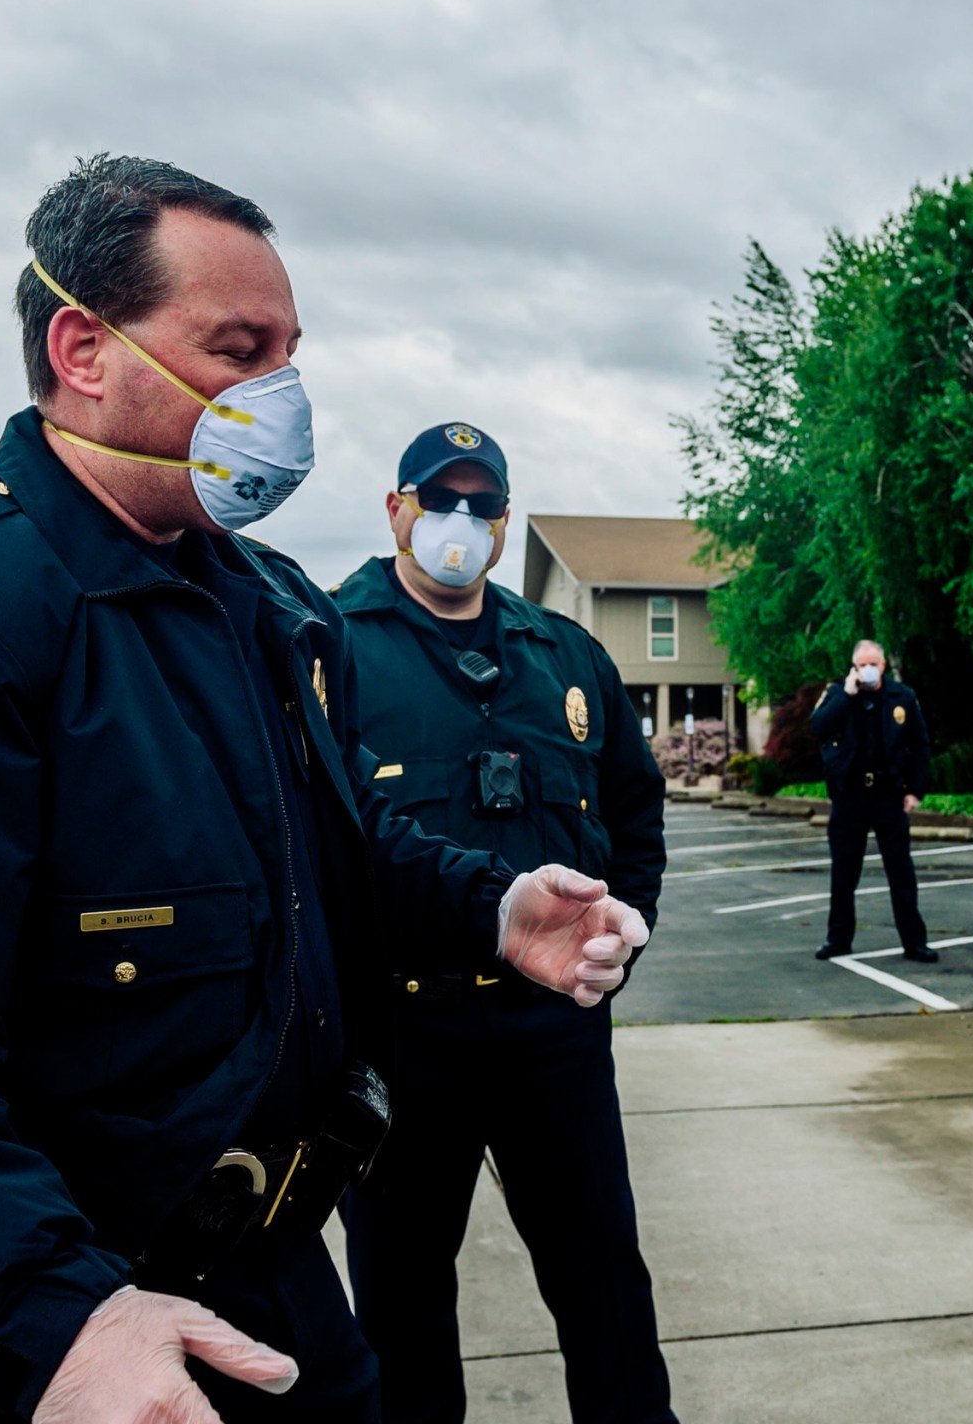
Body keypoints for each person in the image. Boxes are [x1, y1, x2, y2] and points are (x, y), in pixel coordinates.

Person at [0, 155, 648, 1424]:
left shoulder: (268, 608)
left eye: (290, 354)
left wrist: (491, 904)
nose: (280, 396)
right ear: (84, 348)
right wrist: (58, 1316)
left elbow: (329, 857)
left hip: (269, 1280)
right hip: (75, 1343)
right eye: (238, 350)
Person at [330, 422, 677, 1423]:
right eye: (441, 499)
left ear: (504, 522)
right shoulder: (331, 643)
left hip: (552, 1035)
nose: (461, 522)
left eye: (482, 506)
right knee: (399, 1302)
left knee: (604, 1280)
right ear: (396, 509)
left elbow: (634, 808)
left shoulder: (563, 656)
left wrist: (627, 934)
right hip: (403, 1037)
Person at [808, 641, 937, 964]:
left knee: (901, 872)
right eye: (861, 664)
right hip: (850, 795)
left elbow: (920, 745)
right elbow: (818, 727)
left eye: (873, 664)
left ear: (883, 666)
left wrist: (915, 791)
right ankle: (837, 939)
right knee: (844, 874)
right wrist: (847, 696)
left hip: (889, 795)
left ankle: (914, 942)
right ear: (853, 667)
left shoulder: (901, 697)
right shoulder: (838, 694)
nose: (868, 669)